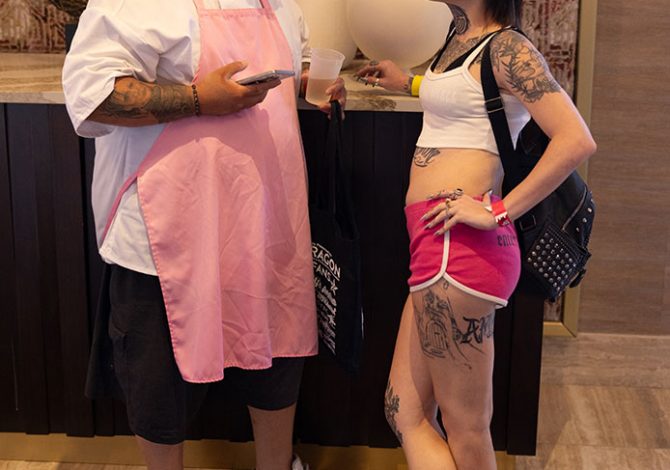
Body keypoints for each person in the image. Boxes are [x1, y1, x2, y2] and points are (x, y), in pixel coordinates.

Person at [62, 1, 345, 469]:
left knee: (277, 362)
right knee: (158, 385)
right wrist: (198, 99)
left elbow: (296, 60)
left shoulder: (278, 5)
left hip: (264, 223)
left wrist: (310, 80)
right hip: (164, 236)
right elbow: (93, 93)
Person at [355, 1, 596, 469]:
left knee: (466, 428)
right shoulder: (460, 38)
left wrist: (497, 211)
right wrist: (408, 84)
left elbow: (576, 138)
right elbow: (467, 100)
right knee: (403, 411)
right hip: (436, 244)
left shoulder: (508, 48)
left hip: (459, 249)